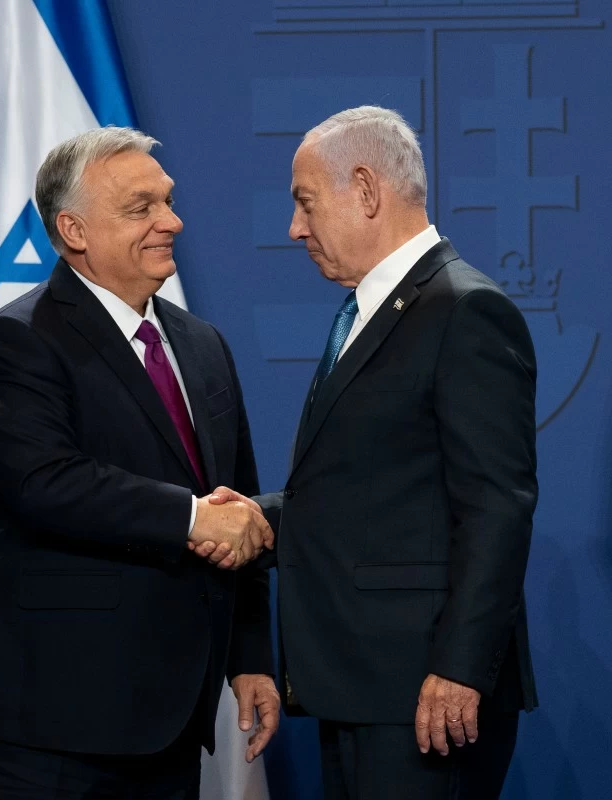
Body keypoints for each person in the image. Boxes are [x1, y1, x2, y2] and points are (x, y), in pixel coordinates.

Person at [0, 126, 280, 799]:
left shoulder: (202, 345)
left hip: (169, 720)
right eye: (141, 208)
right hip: (41, 726)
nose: (171, 221)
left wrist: (249, 656)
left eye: (168, 202)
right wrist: (189, 519)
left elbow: (236, 506)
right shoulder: (18, 339)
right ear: (75, 230)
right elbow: (43, 483)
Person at [212, 106, 538, 799]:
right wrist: (256, 517)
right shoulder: (370, 311)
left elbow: (497, 507)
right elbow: (369, 491)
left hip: (426, 697)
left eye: (305, 203)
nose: (294, 229)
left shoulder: (464, 310)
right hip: (365, 687)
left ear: (365, 190)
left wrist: (460, 669)